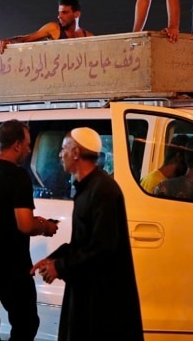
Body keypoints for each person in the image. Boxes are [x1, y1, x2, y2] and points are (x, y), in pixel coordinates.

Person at [30, 128, 143, 341]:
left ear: (75, 152)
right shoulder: (89, 187)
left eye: (63, 149)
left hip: (102, 297)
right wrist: (54, 259)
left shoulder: (103, 190)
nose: (59, 155)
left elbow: (102, 247)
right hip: (88, 289)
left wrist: (60, 266)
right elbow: (84, 241)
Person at [0, 119, 58, 341]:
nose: (28, 148)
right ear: (16, 144)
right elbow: (25, 224)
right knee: (26, 322)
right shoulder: (18, 177)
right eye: (27, 144)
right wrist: (46, 227)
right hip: (9, 266)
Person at [0, 0, 94, 54]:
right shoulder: (54, 28)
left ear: (76, 14)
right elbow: (26, 39)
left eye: (64, 13)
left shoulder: (88, 37)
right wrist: (9, 41)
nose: (59, 16)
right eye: (59, 12)